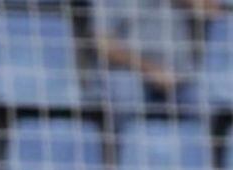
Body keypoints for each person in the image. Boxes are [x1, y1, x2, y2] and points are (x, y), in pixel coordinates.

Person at [92, 0, 224, 111]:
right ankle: (120, 140)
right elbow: (103, 45)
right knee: (124, 91)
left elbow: (213, 10)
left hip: (182, 77)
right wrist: (150, 69)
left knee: (209, 95)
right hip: (131, 72)